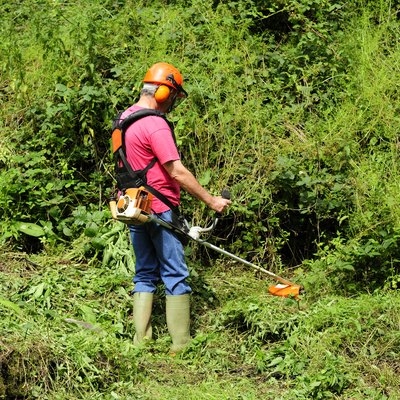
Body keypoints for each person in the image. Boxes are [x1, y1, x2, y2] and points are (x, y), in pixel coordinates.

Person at [120, 62, 231, 352]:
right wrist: (212, 200)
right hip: (160, 207)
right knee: (175, 272)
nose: (172, 104)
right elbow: (177, 172)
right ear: (163, 91)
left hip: (135, 207)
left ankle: (140, 341)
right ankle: (181, 345)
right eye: (172, 96)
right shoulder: (155, 123)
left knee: (144, 272)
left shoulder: (125, 118)